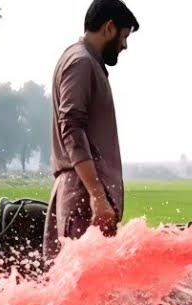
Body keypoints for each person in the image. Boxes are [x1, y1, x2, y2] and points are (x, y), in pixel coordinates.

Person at [43, 0, 138, 268]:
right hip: (83, 193)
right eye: (124, 36)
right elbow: (71, 127)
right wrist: (96, 195)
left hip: (82, 190)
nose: (125, 45)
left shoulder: (85, 62)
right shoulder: (81, 62)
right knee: (85, 293)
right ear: (109, 28)